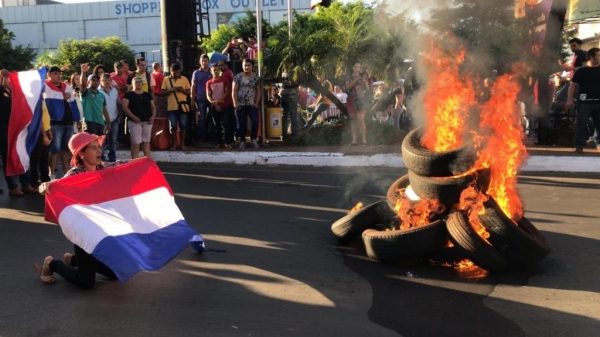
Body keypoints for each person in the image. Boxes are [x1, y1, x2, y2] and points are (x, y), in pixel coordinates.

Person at [35, 133, 130, 289]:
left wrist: (144, 163)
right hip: (84, 231)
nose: (99, 151)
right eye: (93, 148)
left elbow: (125, 165)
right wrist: (48, 185)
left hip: (102, 231)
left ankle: (73, 260)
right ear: (81, 153)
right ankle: (52, 263)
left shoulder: (104, 168)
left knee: (116, 273)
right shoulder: (75, 174)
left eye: (99, 147)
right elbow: (59, 184)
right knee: (86, 283)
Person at [0, 69, 37, 196]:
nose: (12, 82)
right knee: (7, 157)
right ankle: (12, 186)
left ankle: (25, 184)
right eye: (9, 78)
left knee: (20, 154)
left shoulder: (16, 93)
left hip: (16, 128)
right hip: (3, 128)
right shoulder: (1, 91)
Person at [567, 47, 600, 154]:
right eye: (598, 55)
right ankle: (579, 146)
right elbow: (573, 85)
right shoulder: (582, 70)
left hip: (598, 102)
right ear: (591, 57)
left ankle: (599, 144)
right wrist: (570, 99)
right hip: (585, 103)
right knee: (582, 124)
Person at [46, 66, 76, 179]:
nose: (59, 75)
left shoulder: (67, 87)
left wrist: (76, 118)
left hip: (68, 122)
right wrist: (61, 96)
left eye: (60, 73)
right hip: (55, 123)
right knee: (55, 149)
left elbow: (73, 103)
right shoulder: (45, 86)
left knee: (66, 149)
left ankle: (65, 172)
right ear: (49, 75)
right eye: (55, 73)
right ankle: (52, 173)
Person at [122, 77, 156, 158]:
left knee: (146, 142)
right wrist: (133, 117)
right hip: (134, 122)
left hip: (147, 121)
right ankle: (135, 161)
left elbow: (153, 107)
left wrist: (153, 117)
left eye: (139, 82)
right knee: (136, 142)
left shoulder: (147, 94)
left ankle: (147, 160)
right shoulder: (128, 94)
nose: (138, 83)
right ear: (132, 84)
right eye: (136, 82)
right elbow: (124, 107)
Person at [232, 58, 261, 149]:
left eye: (248, 65)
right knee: (241, 123)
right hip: (241, 104)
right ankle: (242, 141)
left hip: (252, 104)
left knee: (255, 121)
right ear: (242, 66)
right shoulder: (238, 77)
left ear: (252, 66)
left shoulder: (255, 77)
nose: (247, 67)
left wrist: (256, 102)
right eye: (245, 65)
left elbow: (258, 91)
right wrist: (235, 102)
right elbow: (234, 90)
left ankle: (253, 139)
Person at [162, 63, 191, 150]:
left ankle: (182, 144)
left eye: (178, 73)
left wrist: (181, 90)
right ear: (171, 72)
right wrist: (170, 90)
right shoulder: (166, 79)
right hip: (171, 107)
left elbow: (189, 92)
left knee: (183, 125)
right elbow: (162, 92)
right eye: (174, 73)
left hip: (182, 106)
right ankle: (174, 144)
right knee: (173, 126)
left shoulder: (184, 79)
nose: (176, 75)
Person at [206, 63, 234, 149]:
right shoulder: (209, 82)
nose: (216, 71)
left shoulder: (224, 80)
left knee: (226, 124)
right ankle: (218, 142)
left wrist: (218, 102)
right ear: (211, 71)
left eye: (217, 70)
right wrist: (214, 103)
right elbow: (208, 95)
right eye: (214, 70)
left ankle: (227, 142)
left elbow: (226, 92)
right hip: (214, 106)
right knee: (215, 125)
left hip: (224, 105)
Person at [80, 64, 111, 137]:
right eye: (93, 80)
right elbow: (82, 84)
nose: (96, 82)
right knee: (90, 144)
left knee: (99, 145)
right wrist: (83, 73)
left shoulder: (101, 95)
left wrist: (108, 123)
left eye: (97, 80)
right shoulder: (86, 92)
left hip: (100, 122)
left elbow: (104, 109)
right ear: (88, 82)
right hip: (89, 122)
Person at [346, 61, 371, 146]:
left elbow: (368, 89)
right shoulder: (349, 77)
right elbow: (347, 87)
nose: (357, 69)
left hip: (361, 99)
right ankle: (354, 140)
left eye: (359, 67)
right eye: (355, 67)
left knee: (361, 120)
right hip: (351, 100)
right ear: (352, 67)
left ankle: (364, 140)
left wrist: (366, 82)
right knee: (353, 120)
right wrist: (355, 81)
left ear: (361, 68)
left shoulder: (363, 76)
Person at [190, 54, 212, 144]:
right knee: (201, 119)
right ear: (200, 62)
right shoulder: (196, 73)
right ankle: (201, 138)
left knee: (212, 119)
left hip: (211, 99)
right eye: (202, 61)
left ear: (208, 62)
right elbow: (193, 86)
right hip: (200, 98)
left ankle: (211, 137)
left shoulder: (212, 72)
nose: (204, 62)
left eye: (205, 61)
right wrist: (192, 99)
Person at [99, 74, 120, 162]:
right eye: (105, 80)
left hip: (114, 118)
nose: (107, 82)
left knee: (113, 140)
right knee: (102, 141)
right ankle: (101, 158)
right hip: (101, 119)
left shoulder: (114, 90)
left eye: (109, 80)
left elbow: (118, 103)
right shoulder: (98, 91)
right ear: (101, 81)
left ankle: (112, 158)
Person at [280, 72, 299, 139]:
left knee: (285, 115)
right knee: (293, 115)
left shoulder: (282, 73)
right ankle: (294, 134)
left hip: (283, 96)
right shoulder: (293, 73)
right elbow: (297, 88)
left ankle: (284, 134)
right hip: (292, 96)